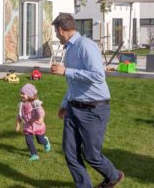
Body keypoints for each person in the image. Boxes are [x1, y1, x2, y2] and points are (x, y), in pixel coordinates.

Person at [50, 13, 124, 188]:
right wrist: (64, 104)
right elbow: (74, 84)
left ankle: (113, 176)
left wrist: (66, 71)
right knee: (70, 153)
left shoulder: (85, 45)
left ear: (61, 30)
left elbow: (98, 76)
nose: (56, 35)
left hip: (93, 109)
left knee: (91, 155)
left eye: (55, 31)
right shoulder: (69, 49)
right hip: (73, 108)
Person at [15, 83, 51, 161]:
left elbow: (41, 112)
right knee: (28, 141)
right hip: (27, 126)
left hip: (37, 124)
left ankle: (46, 141)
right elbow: (19, 115)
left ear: (30, 95)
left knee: (40, 140)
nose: (21, 95)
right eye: (21, 93)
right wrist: (18, 124)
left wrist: (41, 119)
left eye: (23, 94)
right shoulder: (21, 104)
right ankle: (34, 155)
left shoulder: (35, 103)